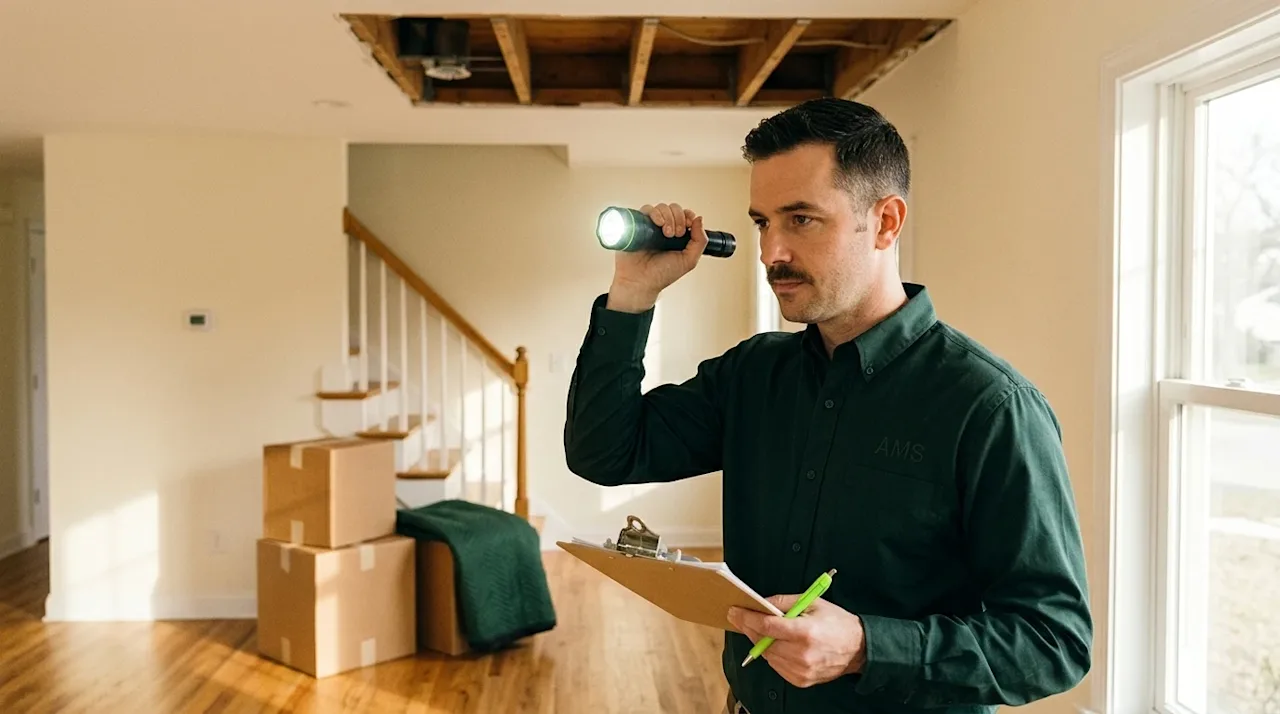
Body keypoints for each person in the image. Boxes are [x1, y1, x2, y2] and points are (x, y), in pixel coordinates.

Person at [562, 97, 1092, 713]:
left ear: (887, 222)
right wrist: (632, 294)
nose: (771, 252)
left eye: (802, 219)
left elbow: (1054, 641)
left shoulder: (991, 406)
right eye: (763, 222)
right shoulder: (753, 374)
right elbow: (605, 452)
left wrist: (868, 647)